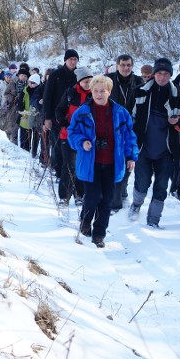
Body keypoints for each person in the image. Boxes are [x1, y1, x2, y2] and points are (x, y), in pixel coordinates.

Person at [67, 75, 138, 248]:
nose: (99, 94)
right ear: (91, 91)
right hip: (91, 163)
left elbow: (130, 136)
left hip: (113, 163)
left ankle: (99, 234)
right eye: (96, 91)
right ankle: (85, 222)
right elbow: (72, 133)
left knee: (106, 200)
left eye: (103, 91)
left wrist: (131, 156)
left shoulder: (121, 113)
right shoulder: (82, 112)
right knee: (92, 197)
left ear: (109, 91)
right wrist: (82, 142)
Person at [129, 57, 180, 228]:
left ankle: (153, 220)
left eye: (166, 74)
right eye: (159, 74)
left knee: (161, 186)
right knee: (142, 182)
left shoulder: (179, 95)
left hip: (167, 150)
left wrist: (177, 122)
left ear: (170, 75)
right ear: (154, 74)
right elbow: (127, 118)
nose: (162, 77)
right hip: (143, 147)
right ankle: (136, 204)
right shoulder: (139, 91)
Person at [107, 54, 144, 211]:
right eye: (123, 65)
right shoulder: (108, 79)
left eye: (128, 65)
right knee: (114, 162)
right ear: (117, 65)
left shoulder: (138, 82)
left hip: (131, 126)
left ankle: (122, 190)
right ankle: (114, 200)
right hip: (112, 126)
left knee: (129, 160)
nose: (126, 68)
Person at [55, 66, 92, 206]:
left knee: (82, 165)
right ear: (79, 81)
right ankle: (64, 196)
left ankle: (80, 195)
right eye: (85, 81)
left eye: (90, 80)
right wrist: (64, 122)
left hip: (87, 137)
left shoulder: (94, 94)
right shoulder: (70, 93)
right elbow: (59, 109)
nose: (88, 83)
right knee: (69, 165)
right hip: (68, 135)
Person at [43, 49, 79, 176]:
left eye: (75, 59)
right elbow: (47, 96)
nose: (73, 62)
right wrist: (46, 118)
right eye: (70, 59)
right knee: (58, 145)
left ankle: (71, 173)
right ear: (65, 60)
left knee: (72, 145)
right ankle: (58, 172)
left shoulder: (79, 75)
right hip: (56, 115)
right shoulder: (55, 75)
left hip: (74, 117)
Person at [19, 73, 43, 153]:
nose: (31, 84)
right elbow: (20, 101)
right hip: (25, 115)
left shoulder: (40, 91)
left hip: (36, 116)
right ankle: (23, 151)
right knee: (24, 135)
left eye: (33, 83)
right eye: (30, 82)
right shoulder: (25, 90)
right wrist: (22, 110)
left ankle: (33, 152)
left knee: (36, 136)